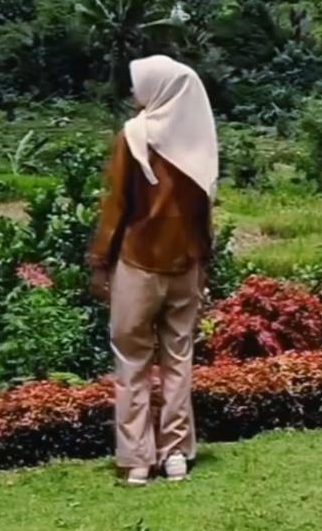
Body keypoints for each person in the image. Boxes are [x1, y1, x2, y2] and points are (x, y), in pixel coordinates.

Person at [88, 55, 218, 486]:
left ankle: (137, 460)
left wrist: (99, 261)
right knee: (179, 359)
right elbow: (205, 212)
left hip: (137, 264)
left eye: (137, 85)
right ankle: (176, 453)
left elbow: (117, 205)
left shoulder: (134, 137)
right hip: (186, 264)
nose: (132, 93)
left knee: (132, 359)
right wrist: (205, 263)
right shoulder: (198, 141)